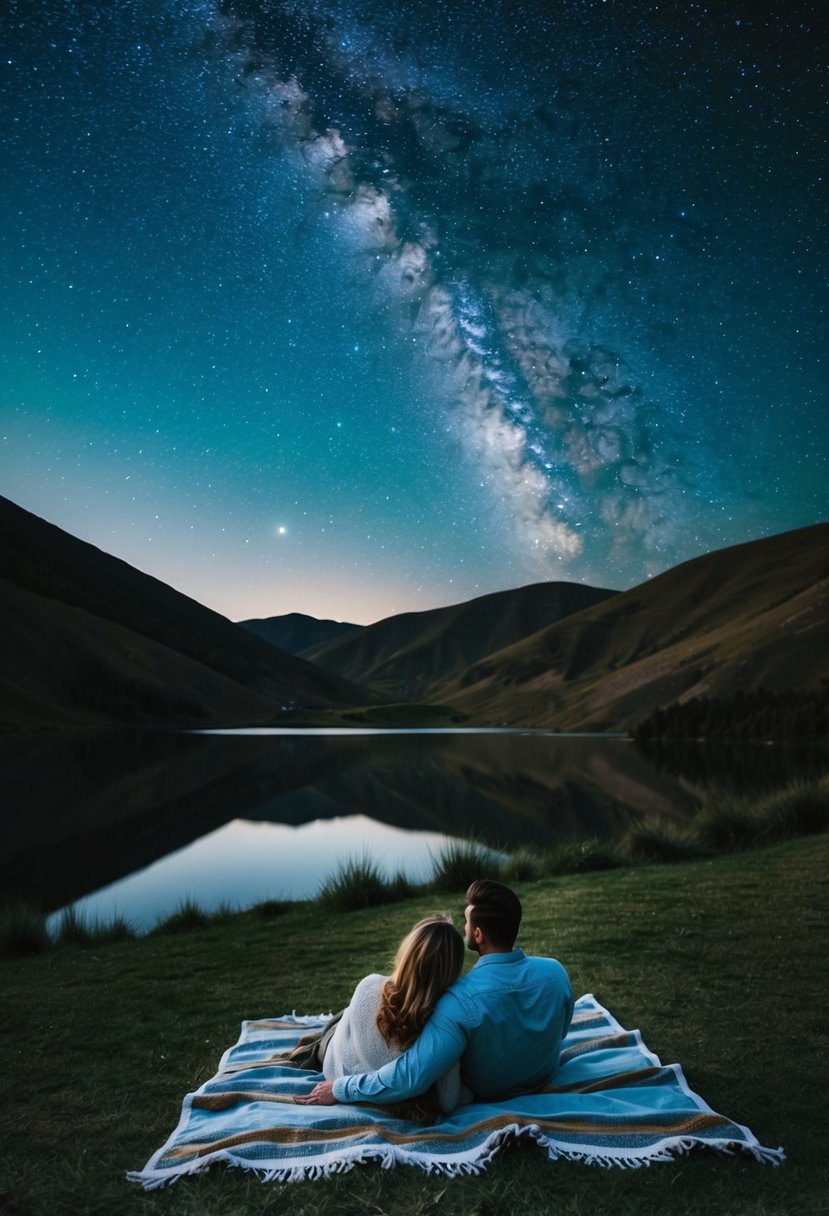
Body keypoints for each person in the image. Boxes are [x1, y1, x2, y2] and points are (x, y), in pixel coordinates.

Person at [296, 878, 574, 1109]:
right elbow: (559, 1032)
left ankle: (322, 1038)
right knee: (349, 1017)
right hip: (543, 1076)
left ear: (477, 935)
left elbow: (410, 1076)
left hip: (496, 1092)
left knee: (344, 1021)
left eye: (466, 921)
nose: (464, 927)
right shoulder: (555, 973)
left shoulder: (458, 1002)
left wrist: (341, 1088)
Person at [294, 915, 465, 1117]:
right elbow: (448, 1100)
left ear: (406, 953)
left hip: (334, 1065)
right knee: (344, 1020)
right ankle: (316, 1041)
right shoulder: (442, 1025)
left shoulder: (369, 985)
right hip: (344, 1074)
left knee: (342, 1019)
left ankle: (314, 1043)